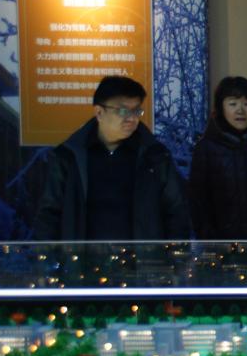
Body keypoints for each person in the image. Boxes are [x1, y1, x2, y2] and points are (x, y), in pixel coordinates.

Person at [34, 75, 189, 241]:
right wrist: (48, 254)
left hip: (142, 256)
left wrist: (174, 253)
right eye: (123, 111)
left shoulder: (155, 157)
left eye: (137, 111)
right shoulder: (69, 156)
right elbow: (49, 214)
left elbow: (176, 212)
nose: (132, 118)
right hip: (82, 256)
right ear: (99, 112)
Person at [189, 76, 247, 240]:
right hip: (221, 245)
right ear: (221, 108)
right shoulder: (206, 148)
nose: (240, 110)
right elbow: (198, 201)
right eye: (233, 104)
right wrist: (210, 239)